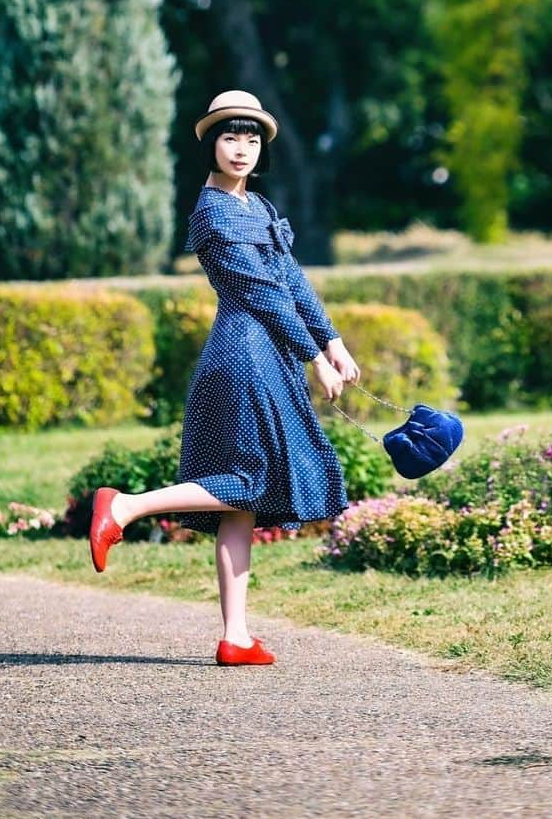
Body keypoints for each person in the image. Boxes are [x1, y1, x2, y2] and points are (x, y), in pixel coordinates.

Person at [88, 89, 360, 666]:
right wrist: (313, 355)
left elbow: (291, 279)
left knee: (242, 505)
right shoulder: (213, 212)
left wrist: (332, 341)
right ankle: (125, 507)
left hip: (267, 354)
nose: (241, 148)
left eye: (252, 137)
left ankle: (235, 635)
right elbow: (261, 293)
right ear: (211, 143)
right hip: (243, 356)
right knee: (243, 480)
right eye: (230, 137)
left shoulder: (256, 207)